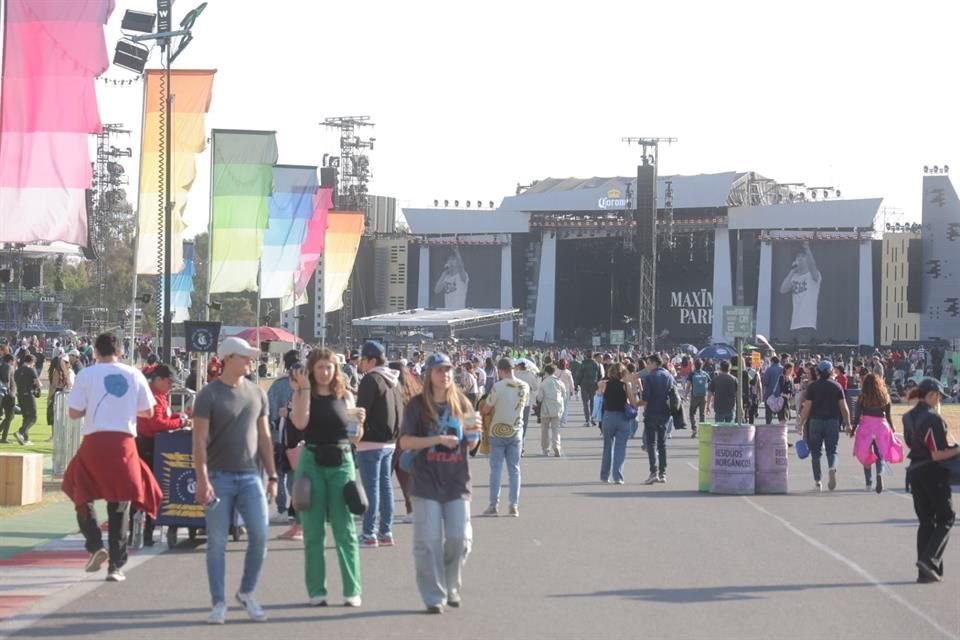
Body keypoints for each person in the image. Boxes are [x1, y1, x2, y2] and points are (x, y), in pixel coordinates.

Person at [192, 337, 278, 624]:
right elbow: (199, 440)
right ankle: (218, 602)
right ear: (227, 358)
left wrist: (273, 475)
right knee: (217, 543)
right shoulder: (208, 395)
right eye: (244, 357)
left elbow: (265, 437)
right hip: (218, 477)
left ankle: (247, 591)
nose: (249, 361)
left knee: (261, 536)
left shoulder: (257, 393)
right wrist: (202, 479)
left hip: (251, 476)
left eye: (250, 357)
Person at [61, 333, 159, 583]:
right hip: (124, 443)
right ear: (121, 350)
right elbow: (148, 411)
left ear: (95, 351)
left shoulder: (86, 374)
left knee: (80, 491)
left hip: (94, 443)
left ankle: (95, 544)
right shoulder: (134, 374)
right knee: (120, 503)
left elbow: (73, 413)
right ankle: (116, 565)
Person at [398, 353, 480, 613]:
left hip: (456, 481)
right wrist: (436, 440)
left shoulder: (463, 404)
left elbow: (473, 443)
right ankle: (434, 596)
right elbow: (405, 443)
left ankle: (450, 584)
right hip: (426, 481)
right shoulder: (417, 406)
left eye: (448, 370)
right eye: (438, 370)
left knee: (459, 539)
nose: (444, 374)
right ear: (429, 375)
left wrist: (474, 431)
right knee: (428, 542)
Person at [289, 348, 365, 607]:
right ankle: (316, 591)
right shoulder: (302, 392)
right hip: (311, 462)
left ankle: (352, 590)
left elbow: (354, 437)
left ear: (336, 370)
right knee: (312, 531)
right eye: (319, 368)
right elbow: (300, 423)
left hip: (342, 460)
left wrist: (360, 425)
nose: (324, 372)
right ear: (312, 369)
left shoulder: (346, 395)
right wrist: (304, 389)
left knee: (345, 529)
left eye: (329, 367)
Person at [904, 378, 958, 583]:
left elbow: (912, 444)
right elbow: (936, 454)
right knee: (946, 517)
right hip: (932, 473)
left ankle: (925, 572)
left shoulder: (908, 417)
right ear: (932, 395)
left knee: (926, 521)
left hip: (915, 471)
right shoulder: (933, 420)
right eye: (938, 397)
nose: (939, 401)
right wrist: (957, 450)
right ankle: (930, 559)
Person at [134, 364, 189, 546]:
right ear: (158, 380)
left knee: (151, 491)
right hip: (145, 447)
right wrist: (179, 422)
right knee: (146, 490)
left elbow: (163, 417)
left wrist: (177, 417)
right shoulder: (151, 396)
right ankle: (142, 532)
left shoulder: (160, 396)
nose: (171, 387)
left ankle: (146, 531)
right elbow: (157, 423)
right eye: (170, 382)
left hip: (153, 446)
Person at [355, 340, 402, 548]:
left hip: (370, 442)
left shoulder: (371, 379)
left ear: (372, 360)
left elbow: (361, 412)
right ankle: (386, 531)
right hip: (390, 442)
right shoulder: (394, 380)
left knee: (371, 489)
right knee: (386, 487)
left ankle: (368, 533)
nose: (360, 363)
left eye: (363, 359)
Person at [480, 358, 529, 517]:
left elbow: (486, 408)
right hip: (516, 431)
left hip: (497, 432)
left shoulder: (498, 386)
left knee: (496, 469)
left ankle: (493, 505)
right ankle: (513, 505)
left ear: (500, 371)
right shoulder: (524, 386)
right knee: (514, 470)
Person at [797, 360, 851, 492]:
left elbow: (807, 407)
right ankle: (832, 467)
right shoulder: (837, 386)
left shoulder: (813, 387)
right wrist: (848, 424)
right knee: (832, 450)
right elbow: (844, 407)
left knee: (816, 453)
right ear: (831, 371)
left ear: (818, 372)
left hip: (815, 421)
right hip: (832, 421)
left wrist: (801, 424)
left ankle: (818, 482)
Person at [267, 350, 299, 526]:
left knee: (279, 473)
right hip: (297, 436)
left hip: (279, 433)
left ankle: (281, 509)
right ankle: (295, 506)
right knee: (295, 473)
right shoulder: (304, 384)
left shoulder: (278, 385)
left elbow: (269, 410)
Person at [850, 373, 895, 493]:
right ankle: (879, 473)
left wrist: (853, 429)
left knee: (865, 454)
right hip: (881, 426)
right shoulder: (884, 396)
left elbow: (857, 415)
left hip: (866, 426)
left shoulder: (862, 397)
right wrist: (892, 428)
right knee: (879, 453)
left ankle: (868, 482)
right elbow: (888, 416)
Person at [390, 361, 422, 523]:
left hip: (393, 438)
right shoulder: (414, 392)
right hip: (410, 439)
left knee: (383, 477)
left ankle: (378, 508)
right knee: (407, 477)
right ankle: (412, 509)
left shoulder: (391, 391)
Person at [598, 363, 639, 484]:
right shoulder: (626, 385)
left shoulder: (604, 384)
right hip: (622, 417)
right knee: (620, 448)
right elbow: (633, 403)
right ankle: (618, 476)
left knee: (607, 447)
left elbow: (599, 395)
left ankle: (604, 476)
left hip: (608, 417)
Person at [640, 354, 675, 485]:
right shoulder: (669, 376)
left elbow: (646, 398)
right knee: (662, 444)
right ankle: (663, 472)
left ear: (654, 363)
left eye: (648, 363)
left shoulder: (650, 377)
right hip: (665, 413)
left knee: (651, 443)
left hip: (652, 413)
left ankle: (653, 472)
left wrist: (637, 404)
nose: (647, 366)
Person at [779, 241, 821, 341]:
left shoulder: (813, 276)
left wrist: (807, 249)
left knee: (804, 347)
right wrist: (792, 271)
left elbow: (812, 264)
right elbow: (782, 290)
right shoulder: (794, 277)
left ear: (806, 259)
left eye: (801, 257)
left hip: (807, 322)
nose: (799, 259)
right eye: (797, 257)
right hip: (794, 323)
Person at [536, 363, 566, 457]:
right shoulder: (559, 381)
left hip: (546, 409)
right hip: (557, 408)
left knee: (544, 430)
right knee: (556, 430)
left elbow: (540, 398)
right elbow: (564, 395)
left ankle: (546, 449)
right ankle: (556, 447)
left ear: (546, 372)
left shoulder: (544, 382)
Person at [13, 354, 41, 445]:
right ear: (32, 362)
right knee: (33, 417)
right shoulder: (31, 370)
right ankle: (20, 432)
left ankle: (25, 439)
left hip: (20, 395)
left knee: (25, 417)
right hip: (29, 394)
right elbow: (38, 384)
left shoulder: (17, 371)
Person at [575, 353, 603, 427]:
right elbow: (600, 376)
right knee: (593, 403)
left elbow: (578, 375)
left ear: (586, 356)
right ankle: (593, 419)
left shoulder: (582, 364)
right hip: (593, 385)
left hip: (584, 385)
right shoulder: (597, 364)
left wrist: (576, 385)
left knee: (585, 403)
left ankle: (587, 420)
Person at [686, 359, 710, 437]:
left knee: (692, 413)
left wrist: (685, 395)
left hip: (694, 396)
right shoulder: (705, 374)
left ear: (694, 365)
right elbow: (709, 385)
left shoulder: (692, 374)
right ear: (701, 365)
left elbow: (688, 385)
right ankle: (702, 431)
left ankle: (694, 429)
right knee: (702, 414)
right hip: (703, 396)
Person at [762, 356, 784, 424]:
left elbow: (765, 382)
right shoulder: (783, 369)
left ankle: (769, 424)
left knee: (768, 411)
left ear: (772, 362)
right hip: (781, 394)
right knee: (781, 411)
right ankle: (781, 425)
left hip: (770, 394)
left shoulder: (769, 370)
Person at [0, 353, 16, 443]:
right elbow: (7, 381)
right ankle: (4, 437)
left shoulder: (2, 366)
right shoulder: (8, 367)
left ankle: (3, 435)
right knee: (10, 416)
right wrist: (9, 391)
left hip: (5, 394)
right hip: (9, 395)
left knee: (9, 416)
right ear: (10, 360)